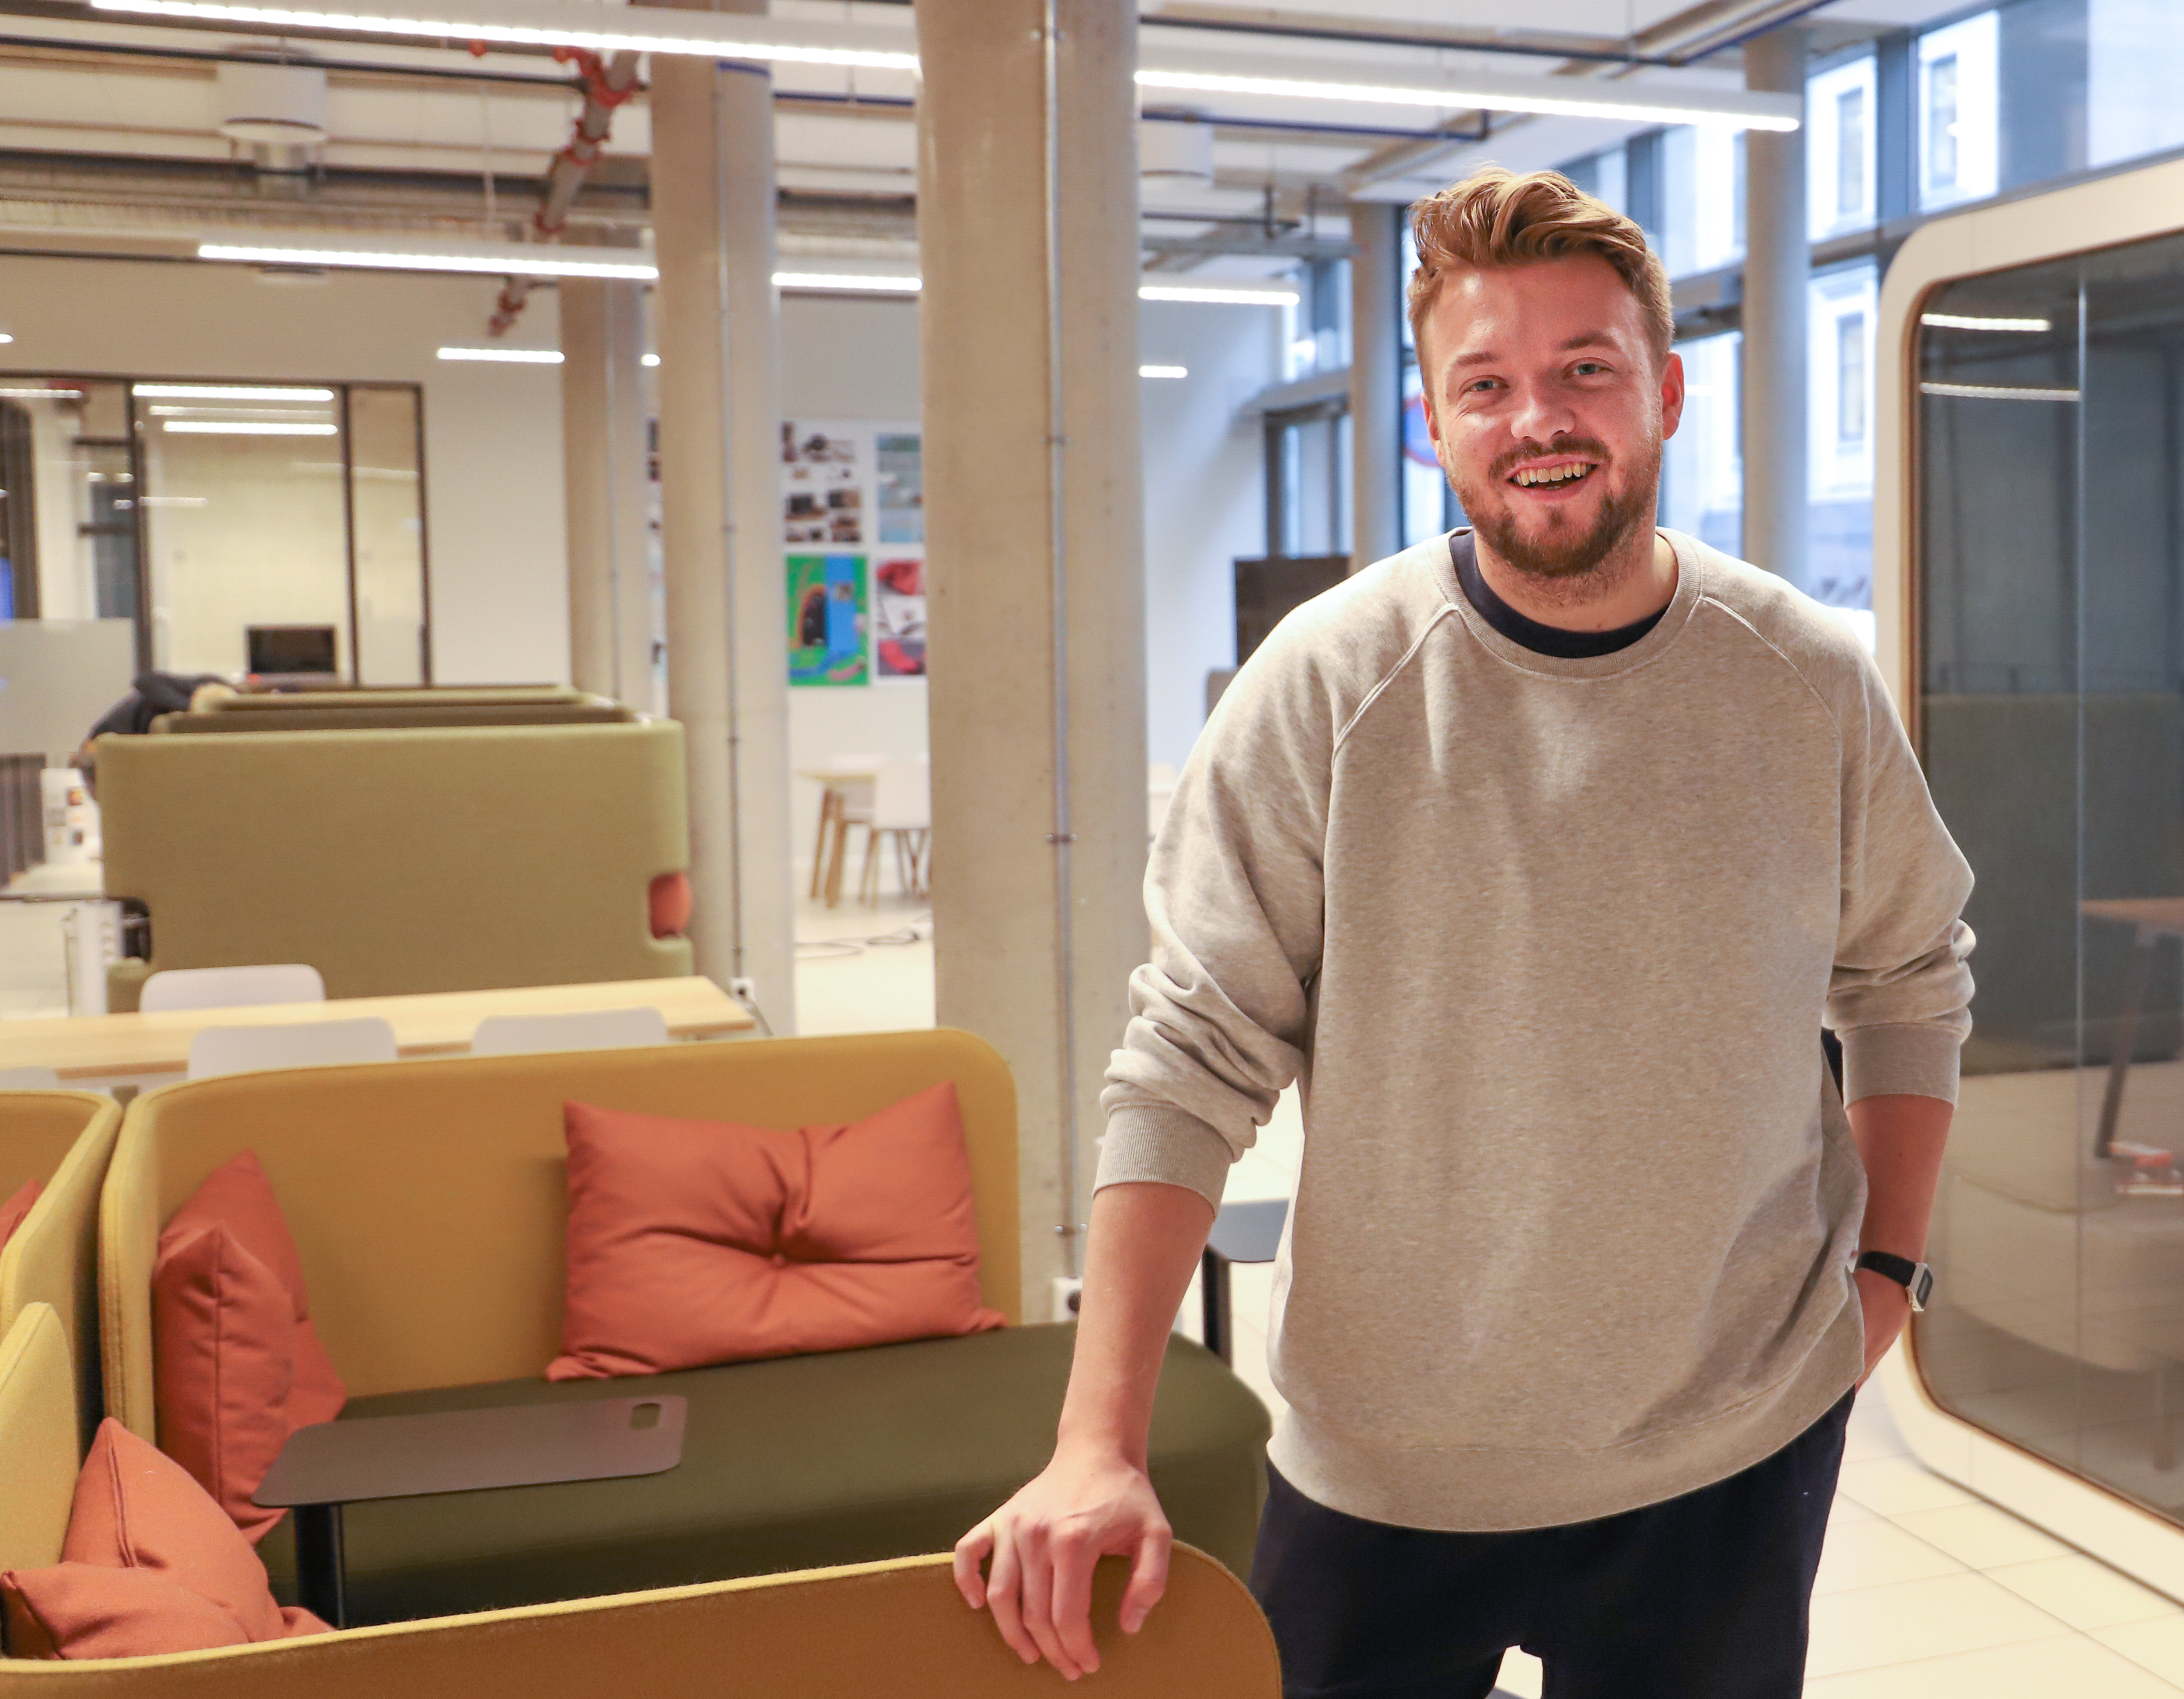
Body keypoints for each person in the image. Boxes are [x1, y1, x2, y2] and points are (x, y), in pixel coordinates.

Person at [954, 167, 1974, 1697]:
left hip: (1731, 1440)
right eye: (1485, 383)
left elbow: (1909, 974)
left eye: (1585, 370)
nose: (1538, 418)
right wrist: (1096, 1439)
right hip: (1389, 1461)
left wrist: (1886, 1268)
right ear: (1435, 421)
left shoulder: (1804, 674)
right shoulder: (1329, 684)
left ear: (1667, 393)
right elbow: (1188, 1058)